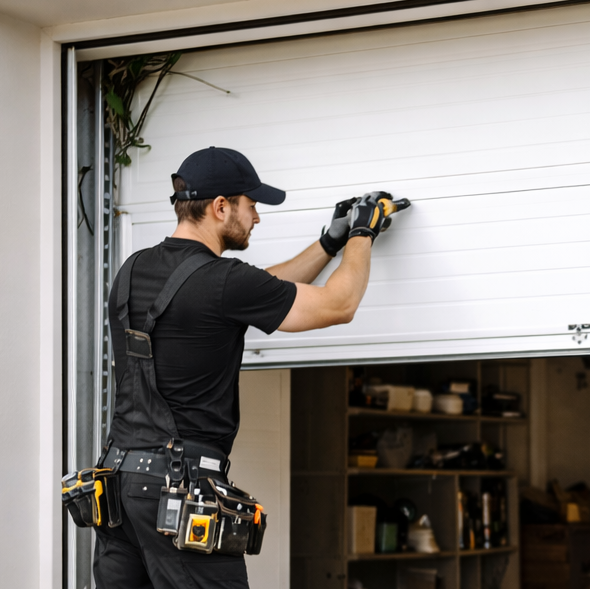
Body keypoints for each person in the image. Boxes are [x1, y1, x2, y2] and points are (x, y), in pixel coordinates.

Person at [93, 147, 404, 588]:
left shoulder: (132, 269)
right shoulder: (222, 283)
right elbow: (340, 304)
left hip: (119, 489)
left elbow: (259, 289)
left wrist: (327, 244)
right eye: (251, 205)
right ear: (221, 208)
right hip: (179, 494)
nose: (256, 217)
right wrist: (362, 232)